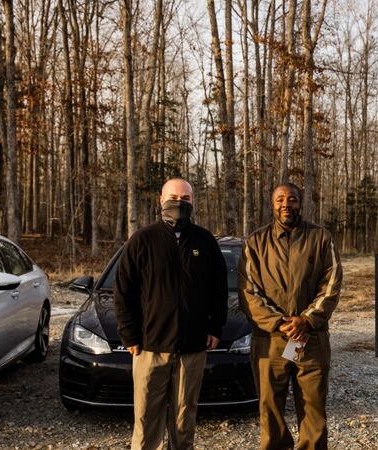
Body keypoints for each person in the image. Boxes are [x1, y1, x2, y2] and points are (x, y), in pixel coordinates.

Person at [114, 178, 228, 450]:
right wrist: (129, 334)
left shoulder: (205, 241)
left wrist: (216, 328)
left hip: (192, 348)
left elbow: (219, 289)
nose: (179, 203)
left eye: (185, 199)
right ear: (160, 200)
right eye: (173, 197)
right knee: (146, 419)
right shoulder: (142, 240)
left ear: (193, 202)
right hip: (150, 347)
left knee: (183, 418)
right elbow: (123, 292)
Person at [238, 182, 343, 450]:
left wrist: (307, 320)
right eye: (280, 199)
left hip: (311, 339)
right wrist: (279, 323)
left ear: (301, 203)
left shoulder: (321, 238)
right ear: (272, 205)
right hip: (271, 340)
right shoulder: (255, 242)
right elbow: (249, 292)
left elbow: (331, 284)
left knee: (313, 408)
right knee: (270, 406)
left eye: (292, 199)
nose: (286, 204)